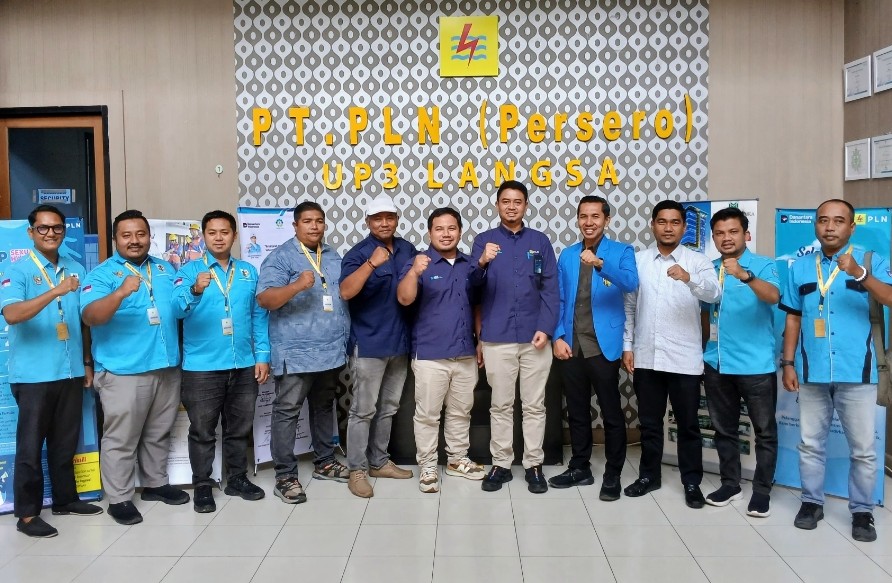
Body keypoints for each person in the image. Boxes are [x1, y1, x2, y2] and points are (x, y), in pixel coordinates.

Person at [780, 199, 892, 543]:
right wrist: (788, 363)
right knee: (810, 443)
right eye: (823, 220)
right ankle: (811, 503)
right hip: (811, 370)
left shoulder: (872, 261)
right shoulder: (800, 267)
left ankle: (862, 512)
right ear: (815, 225)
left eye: (838, 221)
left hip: (858, 371)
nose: (830, 227)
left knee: (863, 449)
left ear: (851, 227)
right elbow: (793, 318)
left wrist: (860, 274)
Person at [81, 210, 188, 525]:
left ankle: (155, 484)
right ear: (116, 239)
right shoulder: (101, 275)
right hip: (123, 372)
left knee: (158, 432)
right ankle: (119, 498)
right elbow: (90, 317)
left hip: (166, 366)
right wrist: (120, 293)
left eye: (140, 234)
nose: (134, 240)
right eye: (126, 235)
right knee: (121, 438)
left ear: (149, 236)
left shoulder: (165, 268)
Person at [1, 204, 102, 538]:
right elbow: (12, 314)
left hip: (70, 371)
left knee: (64, 443)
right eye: (43, 228)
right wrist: (56, 291)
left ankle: (65, 499)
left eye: (57, 227)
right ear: (31, 232)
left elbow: (83, 321)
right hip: (33, 376)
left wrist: (86, 362)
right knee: (30, 448)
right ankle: (27, 515)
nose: (50, 233)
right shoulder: (17, 271)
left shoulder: (75, 267)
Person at [622, 200, 721, 508]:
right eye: (662, 222)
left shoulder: (699, 261)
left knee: (688, 425)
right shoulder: (639, 260)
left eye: (675, 222)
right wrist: (627, 346)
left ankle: (691, 482)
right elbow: (629, 306)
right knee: (649, 423)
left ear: (684, 227)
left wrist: (689, 278)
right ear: (652, 225)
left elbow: (714, 294)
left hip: (684, 358)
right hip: (647, 356)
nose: (668, 228)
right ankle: (648, 476)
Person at [172, 210, 271, 513]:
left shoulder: (247, 272)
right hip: (202, 367)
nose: (218, 238)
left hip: (243, 364)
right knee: (202, 431)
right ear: (203, 236)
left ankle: (237, 479)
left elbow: (259, 317)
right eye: (212, 232)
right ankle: (203, 485)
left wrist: (262, 355)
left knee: (239, 427)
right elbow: (175, 310)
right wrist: (195, 290)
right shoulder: (189, 271)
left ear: (234, 236)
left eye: (224, 232)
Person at [257, 201, 350, 504]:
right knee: (287, 412)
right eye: (307, 221)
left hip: (330, 350)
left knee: (323, 407)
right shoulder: (281, 257)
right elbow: (266, 299)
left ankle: (325, 461)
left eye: (319, 221)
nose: (314, 226)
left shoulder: (333, 255)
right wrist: (296, 286)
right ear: (295, 225)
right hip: (296, 353)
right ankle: (285, 476)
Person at [471, 180, 558, 494]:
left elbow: (550, 288)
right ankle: (501, 464)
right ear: (497, 205)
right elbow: (471, 288)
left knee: (534, 405)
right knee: (501, 405)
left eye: (517, 201)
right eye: (505, 201)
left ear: (526, 205)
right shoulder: (484, 241)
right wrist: (482, 262)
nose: (511, 207)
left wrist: (546, 328)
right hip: (498, 336)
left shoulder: (539, 242)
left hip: (536, 337)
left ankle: (534, 464)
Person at [550, 196, 638, 500]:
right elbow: (559, 298)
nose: (589, 222)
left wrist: (600, 263)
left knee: (611, 411)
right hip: (571, 344)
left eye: (595, 216)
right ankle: (580, 467)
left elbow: (631, 283)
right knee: (576, 410)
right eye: (583, 216)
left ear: (607, 220)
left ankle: (613, 473)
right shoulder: (567, 255)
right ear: (577, 220)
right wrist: (557, 336)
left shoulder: (622, 251)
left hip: (604, 345)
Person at [397, 207, 486, 493]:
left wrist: (481, 341)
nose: (446, 234)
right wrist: (414, 272)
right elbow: (404, 298)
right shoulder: (418, 262)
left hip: (465, 352)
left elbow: (477, 305)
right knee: (427, 415)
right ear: (429, 233)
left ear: (460, 231)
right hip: (430, 354)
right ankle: (427, 466)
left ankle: (457, 459)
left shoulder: (470, 264)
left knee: (461, 411)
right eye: (439, 228)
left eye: (451, 228)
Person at [701, 207, 779, 516]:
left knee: (765, 432)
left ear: (746, 234)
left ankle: (761, 492)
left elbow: (773, 296)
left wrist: (745, 275)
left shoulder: (763, 264)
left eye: (733, 232)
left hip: (756, 366)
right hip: (717, 363)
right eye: (719, 233)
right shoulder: (709, 268)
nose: (726, 238)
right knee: (724, 430)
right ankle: (730, 484)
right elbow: (704, 313)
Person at [339, 193, 417, 498]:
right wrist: (372, 263)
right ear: (368, 221)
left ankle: (379, 461)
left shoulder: (407, 249)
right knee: (363, 410)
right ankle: (356, 470)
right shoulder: (358, 253)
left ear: (397, 219)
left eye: (389, 217)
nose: (384, 223)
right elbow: (346, 292)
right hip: (370, 344)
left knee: (388, 408)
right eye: (377, 218)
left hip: (400, 342)